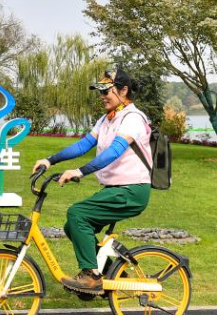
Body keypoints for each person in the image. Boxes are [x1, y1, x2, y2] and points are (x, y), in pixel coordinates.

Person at [32, 68, 153, 294]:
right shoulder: (106, 119)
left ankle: (91, 275)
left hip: (132, 190)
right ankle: (111, 273)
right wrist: (50, 160)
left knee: (78, 214)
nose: (102, 96)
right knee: (73, 226)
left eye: (107, 91)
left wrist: (81, 171)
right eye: (100, 92)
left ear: (123, 90)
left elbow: (115, 151)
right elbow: (83, 145)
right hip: (116, 189)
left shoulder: (132, 118)